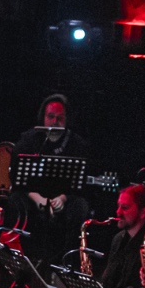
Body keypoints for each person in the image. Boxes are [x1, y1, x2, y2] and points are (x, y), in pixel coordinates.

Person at [11, 95, 93, 259]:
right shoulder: (28, 140)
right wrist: (39, 199)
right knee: (15, 201)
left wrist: (63, 198)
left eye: (60, 118)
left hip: (63, 198)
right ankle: (27, 259)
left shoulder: (77, 144)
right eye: (51, 117)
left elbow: (81, 182)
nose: (55, 122)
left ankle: (66, 261)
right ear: (43, 117)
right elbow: (16, 178)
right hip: (35, 197)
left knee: (80, 207)